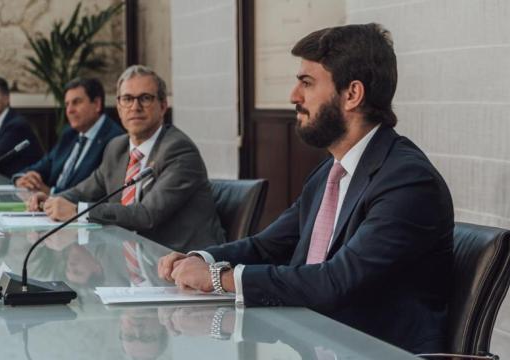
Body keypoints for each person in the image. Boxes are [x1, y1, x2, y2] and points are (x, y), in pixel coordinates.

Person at [157, 23, 454, 354]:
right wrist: (200, 258)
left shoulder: (407, 180)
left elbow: (336, 281)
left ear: (352, 94)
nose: (294, 97)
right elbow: (268, 246)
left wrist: (217, 278)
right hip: (311, 340)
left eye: (307, 83)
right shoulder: (331, 171)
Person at [28, 65, 225, 253]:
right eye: (127, 99)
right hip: (130, 258)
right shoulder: (117, 147)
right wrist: (55, 199)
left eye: (145, 98)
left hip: (181, 263)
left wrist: (78, 211)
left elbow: (146, 215)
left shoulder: (178, 150)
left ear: (163, 106)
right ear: (120, 108)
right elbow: (85, 190)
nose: (135, 107)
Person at [13, 78, 124, 194]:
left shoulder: (115, 140)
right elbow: (45, 165)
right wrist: (23, 178)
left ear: (97, 104)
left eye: (76, 102)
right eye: (67, 104)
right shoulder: (69, 133)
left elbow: (98, 194)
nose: (69, 110)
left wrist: (51, 193)